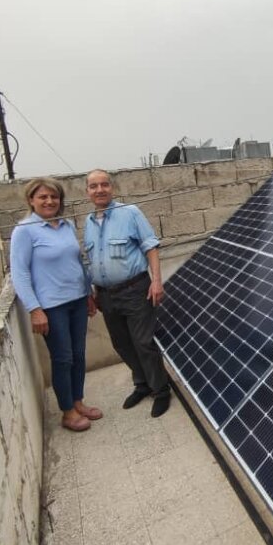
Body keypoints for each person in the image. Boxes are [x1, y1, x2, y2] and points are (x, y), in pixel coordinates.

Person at [10, 178, 101, 432]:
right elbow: (20, 273)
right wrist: (35, 309)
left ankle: (78, 401)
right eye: (43, 197)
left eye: (54, 197)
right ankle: (67, 412)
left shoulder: (66, 225)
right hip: (52, 306)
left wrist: (87, 293)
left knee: (79, 355)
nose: (49, 201)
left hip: (77, 301)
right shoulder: (24, 231)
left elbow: (78, 262)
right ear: (31, 200)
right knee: (63, 358)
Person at [84, 169, 171, 417]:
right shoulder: (88, 223)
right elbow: (92, 260)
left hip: (135, 290)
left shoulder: (130, 213)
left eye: (104, 185)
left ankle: (161, 390)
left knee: (144, 343)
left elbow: (150, 247)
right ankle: (142, 384)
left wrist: (156, 282)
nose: (100, 190)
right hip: (106, 295)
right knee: (122, 344)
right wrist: (94, 292)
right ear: (87, 192)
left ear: (112, 187)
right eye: (94, 186)